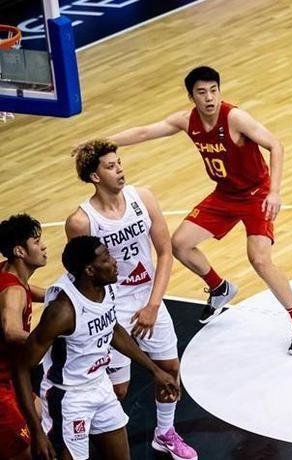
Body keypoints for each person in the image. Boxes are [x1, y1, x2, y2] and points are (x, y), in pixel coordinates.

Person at [101, 65, 292, 355]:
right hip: (225, 194)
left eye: (214, 90)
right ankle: (219, 288)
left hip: (256, 193)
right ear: (192, 97)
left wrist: (275, 191)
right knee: (179, 244)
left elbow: (275, 145)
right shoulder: (187, 120)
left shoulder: (235, 118)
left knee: (259, 259)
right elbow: (144, 132)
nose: (210, 97)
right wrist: (100, 143)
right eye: (202, 92)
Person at [66, 139, 196, 459]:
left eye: (119, 163)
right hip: (112, 306)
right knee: (118, 389)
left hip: (149, 297)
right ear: (95, 176)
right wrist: (99, 317)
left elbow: (165, 252)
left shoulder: (143, 198)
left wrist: (153, 305)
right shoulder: (81, 222)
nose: (120, 170)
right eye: (110, 166)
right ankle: (93, 442)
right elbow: (85, 274)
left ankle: (165, 433)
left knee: (169, 369)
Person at [13, 236, 179, 460]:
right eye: (106, 259)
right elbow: (22, 368)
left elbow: (113, 328)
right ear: (90, 270)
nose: (115, 262)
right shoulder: (63, 311)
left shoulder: (107, 287)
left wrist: (155, 370)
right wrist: (36, 431)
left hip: (100, 386)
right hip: (69, 398)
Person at [0, 214, 47, 460]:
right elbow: (11, 330)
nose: (44, 247)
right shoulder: (13, 290)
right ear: (20, 251)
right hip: (2, 384)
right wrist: (47, 341)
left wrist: (64, 296)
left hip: (10, 377)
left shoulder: (8, 273)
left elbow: (34, 292)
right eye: (37, 242)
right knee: (25, 452)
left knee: (40, 412)